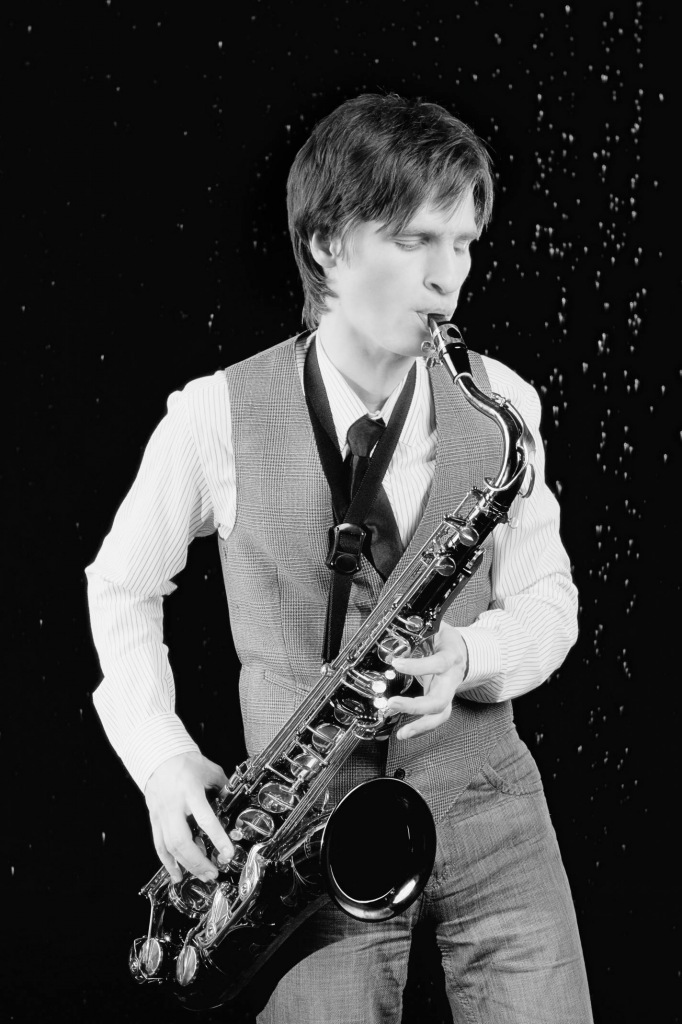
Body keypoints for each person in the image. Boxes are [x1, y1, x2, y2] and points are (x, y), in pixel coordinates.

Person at [86, 93, 593, 1023]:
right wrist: (162, 763)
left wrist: (468, 657)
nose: (449, 279)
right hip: (303, 839)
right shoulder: (212, 414)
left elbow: (549, 601)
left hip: (493, 810)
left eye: (464, 244)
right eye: (416, 241)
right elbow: (120, 586)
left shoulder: (504, 403)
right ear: (326, 245)